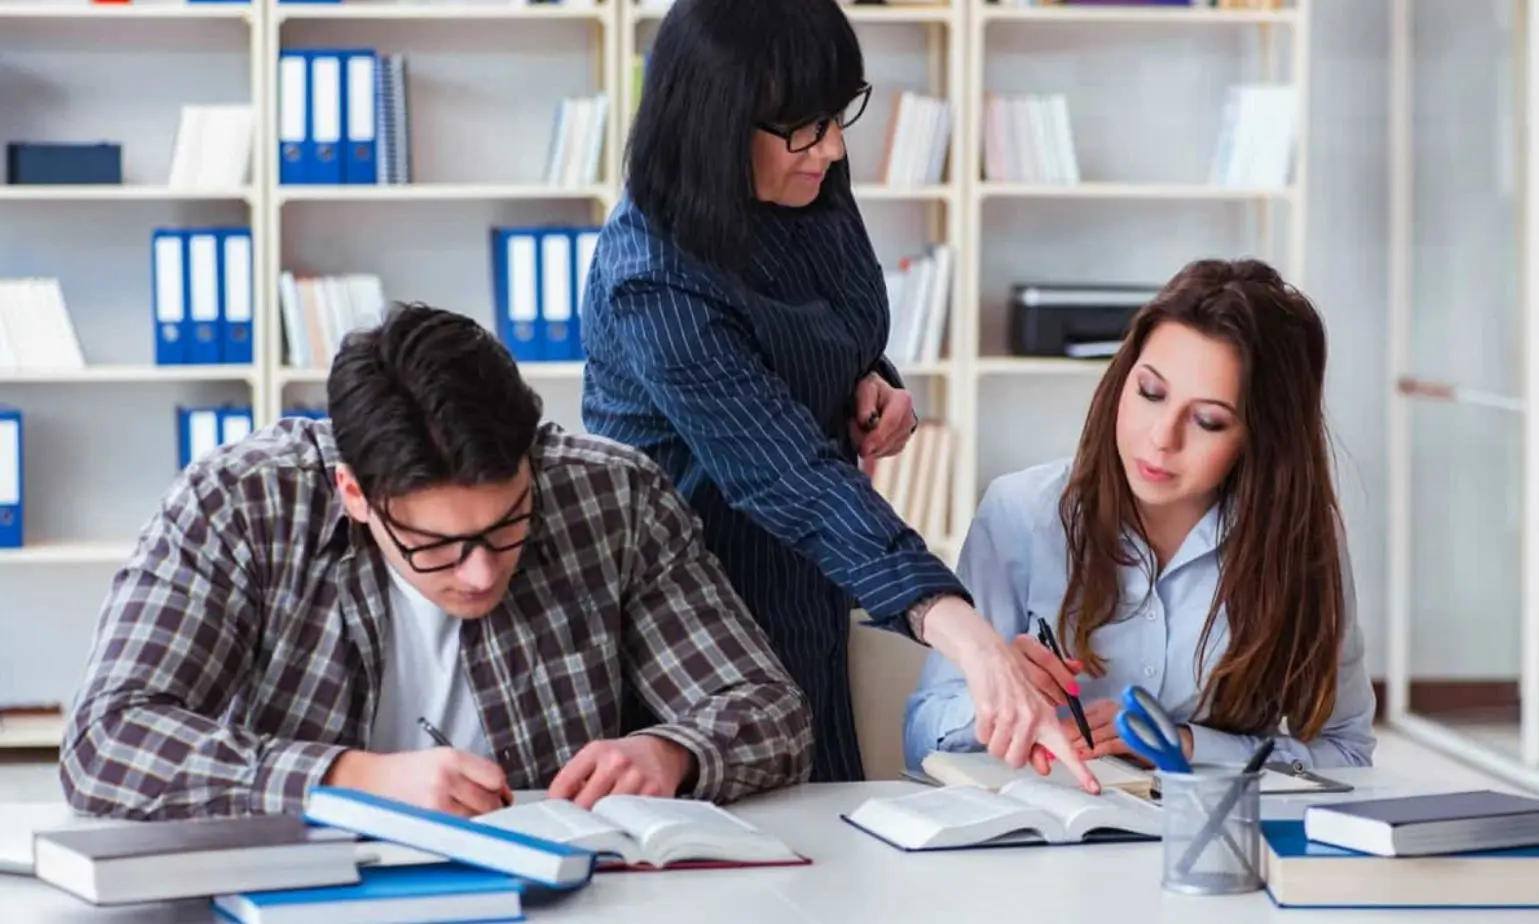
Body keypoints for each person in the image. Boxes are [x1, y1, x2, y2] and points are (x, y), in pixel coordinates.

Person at [578, 0, 1095, 790]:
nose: (832, 148)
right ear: (715, 126)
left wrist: (868, 378)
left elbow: (833, 320)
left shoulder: (805, 174)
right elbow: (794, 479)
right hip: (691, 622)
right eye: (804, 128)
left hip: (809, 589)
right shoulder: (652, 280)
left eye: (837, 117)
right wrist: (970, 637)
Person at [59, 303, 814, 821]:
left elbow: (769, 708)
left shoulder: (610, 494)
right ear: (353, 493)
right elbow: (106, 743)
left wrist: (669, 751)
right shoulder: (240, 503)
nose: (481, 573)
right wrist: (353, 779)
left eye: (507, 523)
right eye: (434, 545)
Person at [903, 258, 1377, 773]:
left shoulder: (1302, 539)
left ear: (1261, 439)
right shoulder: (1020, 513)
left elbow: (1347, 753)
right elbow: (921, 736)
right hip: (1047, 834)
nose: (1161, 438)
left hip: (1213, 838)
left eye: (1208, 421)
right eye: (1150, 393)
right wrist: (998, 695)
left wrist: (1190, 746)